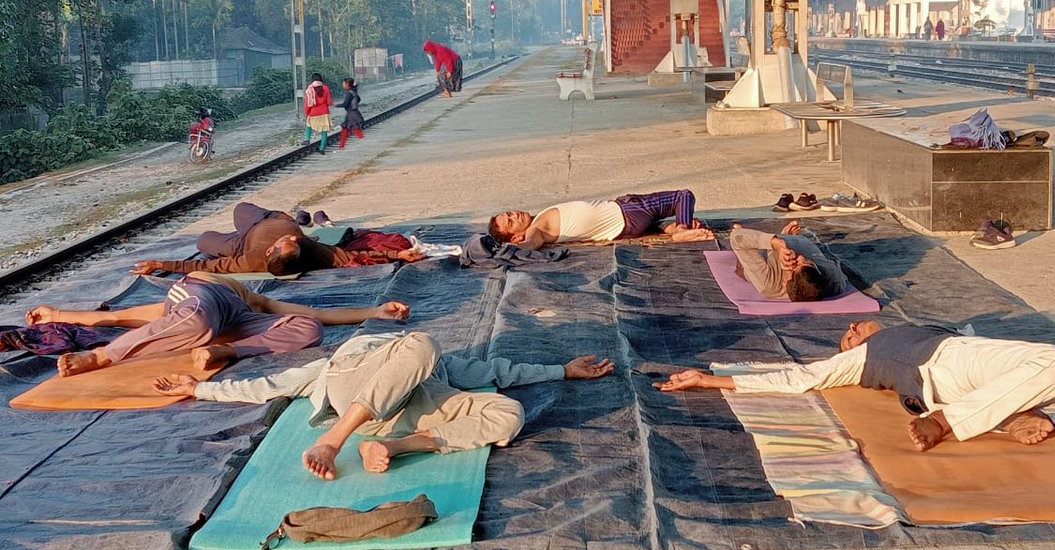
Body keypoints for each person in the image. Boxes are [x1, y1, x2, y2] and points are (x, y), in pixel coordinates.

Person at [154, 331, 614, 481]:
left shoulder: (434, 362)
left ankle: (401, 447)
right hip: (354, 398)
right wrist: (200, 390)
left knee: (509, 412)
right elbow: (268, 385)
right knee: (423, 342)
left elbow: (500, 371)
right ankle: (333, 440)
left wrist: (562, 371)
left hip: (415, 410)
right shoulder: (337, 360)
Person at [655, 320, 1055, 452]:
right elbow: (799, 378)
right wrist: (710, 380)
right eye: (847, 334)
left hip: (993, 376)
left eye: (855, 326)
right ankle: (948, 423)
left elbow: (1002, 349)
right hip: (948, 377)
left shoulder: (934, 326)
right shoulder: (858, 358)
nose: (853, 329)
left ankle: (1031, 419)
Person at [27, 272, 410, 378]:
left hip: (235, 321)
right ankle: (102, 357)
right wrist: (57, 314)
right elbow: (112, 318)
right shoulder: (179, 301)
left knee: (308, 329)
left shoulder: (252, 299)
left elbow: (311, 313)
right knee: (195, 323)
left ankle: (228, 352)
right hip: (203, 304)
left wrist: (375, 312)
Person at [130, 201, 424, 277]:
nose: (292, 240)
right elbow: (355, 257)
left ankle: (292, 217)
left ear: (271, 251)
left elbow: (207, 268)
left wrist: (161, 263)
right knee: (241, 208)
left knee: (203, 242)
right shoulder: (308, 246)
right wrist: (398, 255)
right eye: (293, 241)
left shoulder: (250, 261)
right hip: (270, 219)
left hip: (241, 241)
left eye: (291, 241)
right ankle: (290, 216)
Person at [489, 190, 715, 249]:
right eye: (510, 222)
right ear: (516, 236)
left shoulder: (539, 220)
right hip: (629, 211)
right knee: (683, 196)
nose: (515, 215)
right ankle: (683, 228)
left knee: (657, 221)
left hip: (626, 227)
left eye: (509, 213)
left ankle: (671, 228)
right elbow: (529, 245)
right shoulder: (535, 229)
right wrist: (510, 250)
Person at [729, 220, 848, 301]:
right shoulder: (834, 281)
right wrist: (784, 241)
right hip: (797, 242)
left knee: (743, 266)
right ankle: (785, 236)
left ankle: (780, 237)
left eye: (796, 263)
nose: (800, 257)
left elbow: (736, 238)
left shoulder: (769, 283)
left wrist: (776, 244)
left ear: (786, 281)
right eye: (808, 262)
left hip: (767, 255)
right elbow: (834, 265)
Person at [304, 72, 334, 153]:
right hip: (324, 113)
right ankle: (322, 148)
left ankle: (307, 139)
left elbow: (307, 104)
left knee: (308, 124)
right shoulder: (326, 88)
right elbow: (329, 102)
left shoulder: (310, 89)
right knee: (324, 131)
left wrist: (307, 113)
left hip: (313, 113)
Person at [339, 77, 364, 149]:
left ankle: (364, 141)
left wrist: (336, 105)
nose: (342, 84)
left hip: (352, 113)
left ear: (347, 84)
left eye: (343, 83)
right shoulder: (353, 91)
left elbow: (345, 104)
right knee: (347, 128)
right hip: (353, 113)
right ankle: (341, 146)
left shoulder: (349, 93)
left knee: (352, 129)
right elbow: (358, 99)